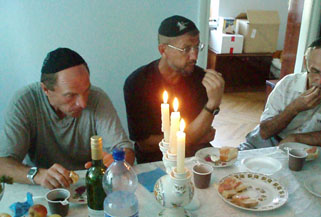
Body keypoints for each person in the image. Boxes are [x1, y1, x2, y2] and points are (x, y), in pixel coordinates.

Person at [0, 48, 134, 189]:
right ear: (45, 90)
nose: (82, 103)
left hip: (89, 185)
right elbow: (2, 165)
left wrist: (117, 162)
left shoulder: (98, 98)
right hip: (43, 188)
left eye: (86, 90)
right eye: (71, 95)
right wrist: (38, 175)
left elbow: (126, 149)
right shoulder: (25, 101)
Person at [124, 15, 224, 163]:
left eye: (197, 47)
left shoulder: (201, 79)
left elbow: (204, 133)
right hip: (158, 160)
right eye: (186, 49)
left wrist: (195, 135)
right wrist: (211, 105)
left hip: (195, 156)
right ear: (163, 50)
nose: (194, 56)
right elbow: (146, 145)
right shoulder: (138, 83)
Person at [240, 36, 321, 150]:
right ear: (305, 63)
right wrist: (295, 108)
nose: (320, 81)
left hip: (304, 148)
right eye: (315, 71)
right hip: (265, 142)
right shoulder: (287, 83)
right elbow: (265, 133)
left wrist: (296, 139)